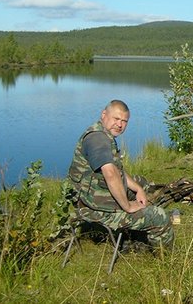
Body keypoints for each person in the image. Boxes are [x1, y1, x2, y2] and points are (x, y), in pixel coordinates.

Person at [68, 100, 174, 249]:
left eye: (124, 121)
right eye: (116, 119)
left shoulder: (104, 133)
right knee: (160, 217)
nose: (119, 124)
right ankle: (160, 255)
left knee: (142, 183)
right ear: (104, 114)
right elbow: (111, 174)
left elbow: (118, 171)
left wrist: (139, 189)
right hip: (92, 207)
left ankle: (133, 232)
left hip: (93, 195)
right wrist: (127, 206)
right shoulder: (98, 139)